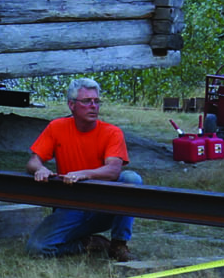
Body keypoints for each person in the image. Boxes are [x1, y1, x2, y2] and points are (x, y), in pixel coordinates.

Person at [26, 78, 146, 260]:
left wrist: (83, 174)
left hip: (103, 206)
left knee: (131, 179)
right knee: (36, 248)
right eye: (87, 101)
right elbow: (33, 161)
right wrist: (40, 169)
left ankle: (119, 244)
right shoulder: (56, 127)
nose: (93, 106)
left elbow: (113, 170)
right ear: (71, 105)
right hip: (71, 206)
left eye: (96, 101)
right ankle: (89, 243)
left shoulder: (112, 132)